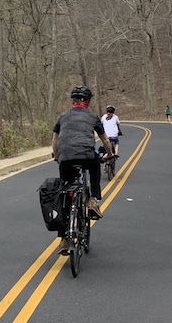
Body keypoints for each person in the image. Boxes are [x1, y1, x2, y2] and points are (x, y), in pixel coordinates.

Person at [52, 85, 114, 255]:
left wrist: (58, 157)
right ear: (87, 101)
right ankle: (92, 200)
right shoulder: (93, 116)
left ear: (73, 101)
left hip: (65, 158)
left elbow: (55, 141)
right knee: (94, 165)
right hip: (86, 155)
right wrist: (109, 155)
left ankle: (64, 240)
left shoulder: (63, 116)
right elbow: (105, 140)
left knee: (65, 193)